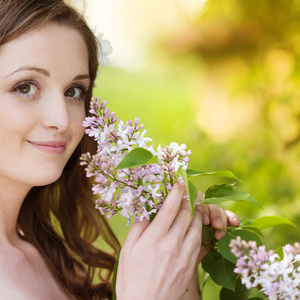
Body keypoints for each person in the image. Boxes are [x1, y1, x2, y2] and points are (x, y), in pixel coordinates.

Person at [0, 0, 239, 299]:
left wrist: (178, 262)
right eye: (25, 87)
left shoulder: (49, 255)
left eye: (74, 92)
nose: (61, 120)